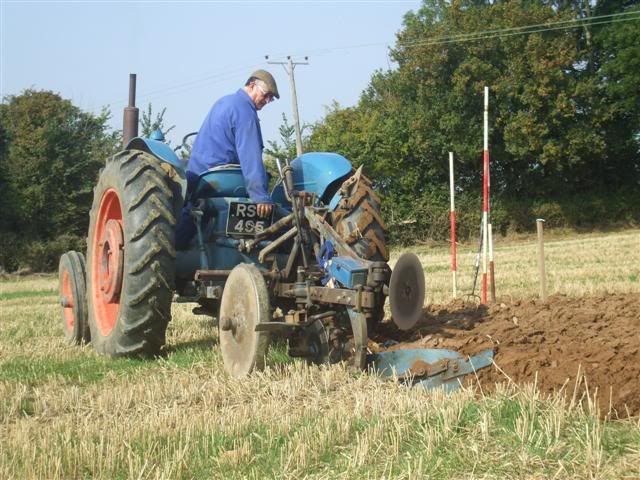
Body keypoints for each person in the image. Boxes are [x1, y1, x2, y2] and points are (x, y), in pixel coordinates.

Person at [175, 70, 280, 249]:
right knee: (277, 217)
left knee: (188, 221)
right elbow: (250, 156)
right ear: (252, 85)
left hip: (198, 176)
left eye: (271, 98)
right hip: (221, 180)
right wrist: (260, 196)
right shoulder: (244, 110)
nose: (267, 101)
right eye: (266, 95)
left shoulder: (225, 101)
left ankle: (177, 248)